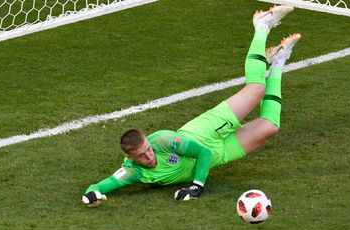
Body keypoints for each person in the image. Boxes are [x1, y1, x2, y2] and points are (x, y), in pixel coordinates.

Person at [82, 4, 301, 206]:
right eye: (142, 155)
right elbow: (104, 184)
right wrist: (91, 193)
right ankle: (279, 61)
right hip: (220, 155)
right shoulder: (134, 172)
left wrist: (196, 187)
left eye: (148, 150)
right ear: (131, 158)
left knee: (255, 90)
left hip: (205, 132)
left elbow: (203, 152)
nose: (149, 156)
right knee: (270, 126)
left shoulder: (164, 141)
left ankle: (261, 25)